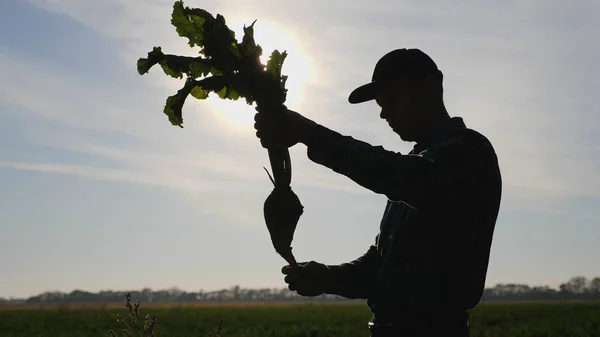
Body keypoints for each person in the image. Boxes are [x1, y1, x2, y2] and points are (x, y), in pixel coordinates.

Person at [253, 48, 502, 337]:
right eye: (380, 105)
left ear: (431, 87)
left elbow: (409, 177)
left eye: (392, 99)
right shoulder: (417, 166)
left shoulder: (468, 151)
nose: (384, 113)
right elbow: (382, 266)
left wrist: (309, 134)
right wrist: (329, 277)